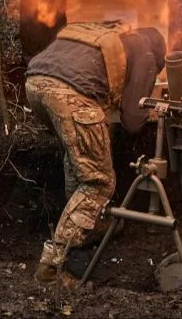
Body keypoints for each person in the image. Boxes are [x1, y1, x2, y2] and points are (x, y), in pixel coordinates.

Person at [23, 20, 166, 284]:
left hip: (34, 83)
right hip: (71, 95)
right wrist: (151, 109)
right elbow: (133, 121)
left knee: (79, 158)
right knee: (98, 181)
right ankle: (51, 267)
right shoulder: (147, 51)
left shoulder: (106, 33)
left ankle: (89, 226)